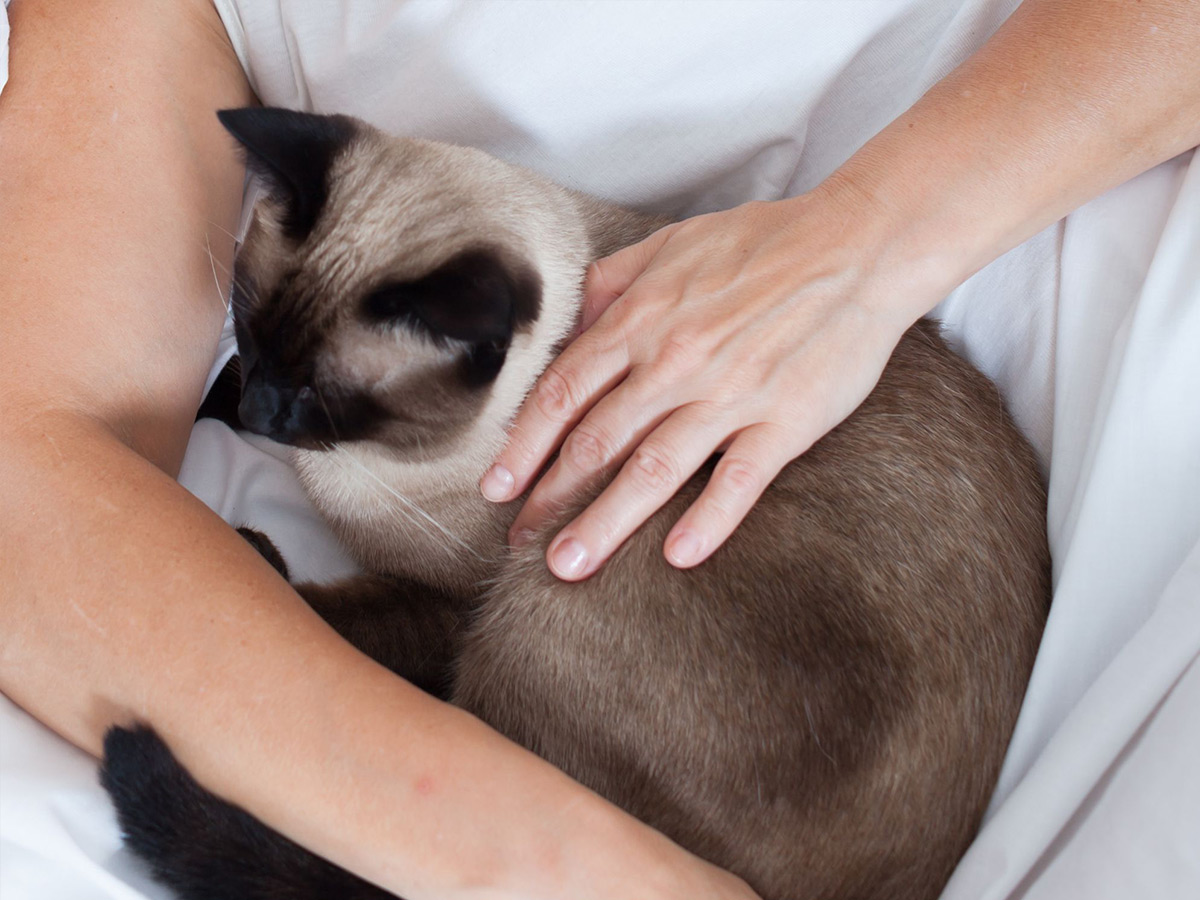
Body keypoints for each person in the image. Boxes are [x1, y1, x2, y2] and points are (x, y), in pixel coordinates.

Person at [0, 2, 1196, 900]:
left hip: (1105, 440)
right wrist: (557, 863)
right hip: (784, 743)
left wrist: (864, 244)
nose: (264, 414)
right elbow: (33, 453)